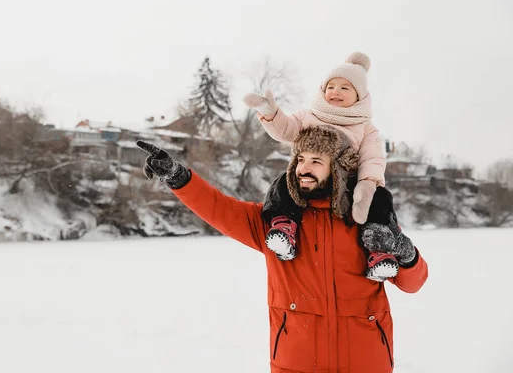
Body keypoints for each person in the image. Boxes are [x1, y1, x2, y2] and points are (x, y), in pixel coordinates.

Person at [136, 125, 428, 373]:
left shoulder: (366, 220)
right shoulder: (276, 224)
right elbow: (219, 209)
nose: (304, 168)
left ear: (337, 168)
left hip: (366, 363)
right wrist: (178, 177)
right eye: (300, 159)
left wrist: (406, 252)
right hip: (296, 362)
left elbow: (413, 283)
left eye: (316, 160)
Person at [244, 52, 393, 279]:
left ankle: (379, 250)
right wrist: (270, 112)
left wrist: (367, 185)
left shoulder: (365, 127)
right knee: (283, 183)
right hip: (311, 181)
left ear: (359, 96)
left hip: (346, 186)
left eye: (344, 88)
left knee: (381, 198)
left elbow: (372, 159)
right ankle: (284, 227)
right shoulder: (309, 115)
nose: (335, 92)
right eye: (330, 86)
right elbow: (286, 129)